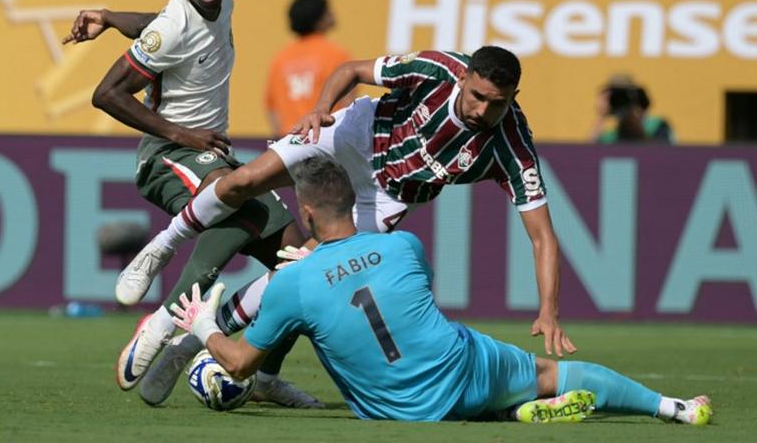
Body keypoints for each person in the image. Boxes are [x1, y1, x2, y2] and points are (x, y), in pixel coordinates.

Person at [169, 157, 712, 424]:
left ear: (305, 212)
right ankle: (675, 409)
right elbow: (390, 295)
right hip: (463, 371)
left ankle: (511, 413)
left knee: (417, 385)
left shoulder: (292, 284)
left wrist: (203, 325)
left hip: (396, 411)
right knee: (551, 372)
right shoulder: (404, 246)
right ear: (352, 203)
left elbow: (239, 364)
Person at [126, 46, 577, 357]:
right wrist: (321, 106)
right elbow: (352, 71)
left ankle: (189, 340)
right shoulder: (436, 68)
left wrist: (549, 312)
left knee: (303, 264)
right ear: (464, 79)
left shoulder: (512, 147)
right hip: (356, 135)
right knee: (245, 180)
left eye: (496, 104)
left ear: (513, 99)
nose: (482, 111)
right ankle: (163, 245)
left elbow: (543, 238)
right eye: (477, 96)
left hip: (387, 196)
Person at [61, 0, 320, 408]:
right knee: (236, 196)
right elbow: (107, 94)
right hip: (167, 157)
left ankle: (259, 376)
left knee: (300, 265)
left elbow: (160, 27)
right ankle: (163, 323)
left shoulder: (223, 3)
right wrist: (182, 135)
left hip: (212, 158)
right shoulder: (174, 24)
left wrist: (111, 17)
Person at [265, 0, 352, 136]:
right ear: (319, 19)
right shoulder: (336, 54)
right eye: (328, 11)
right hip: (326, 139)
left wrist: (282, 141)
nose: (333, 14)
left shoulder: (281, 58)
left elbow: (272, 108)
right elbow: (349, 104)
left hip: (290, 141)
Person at [592, 74, 675, 144]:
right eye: (615, 97)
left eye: (624, 96)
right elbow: (588, 154)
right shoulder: (611, 136)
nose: (621, 101)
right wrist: (601, 117)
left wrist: (635, 115)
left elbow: (665, 154)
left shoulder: (657, 126)